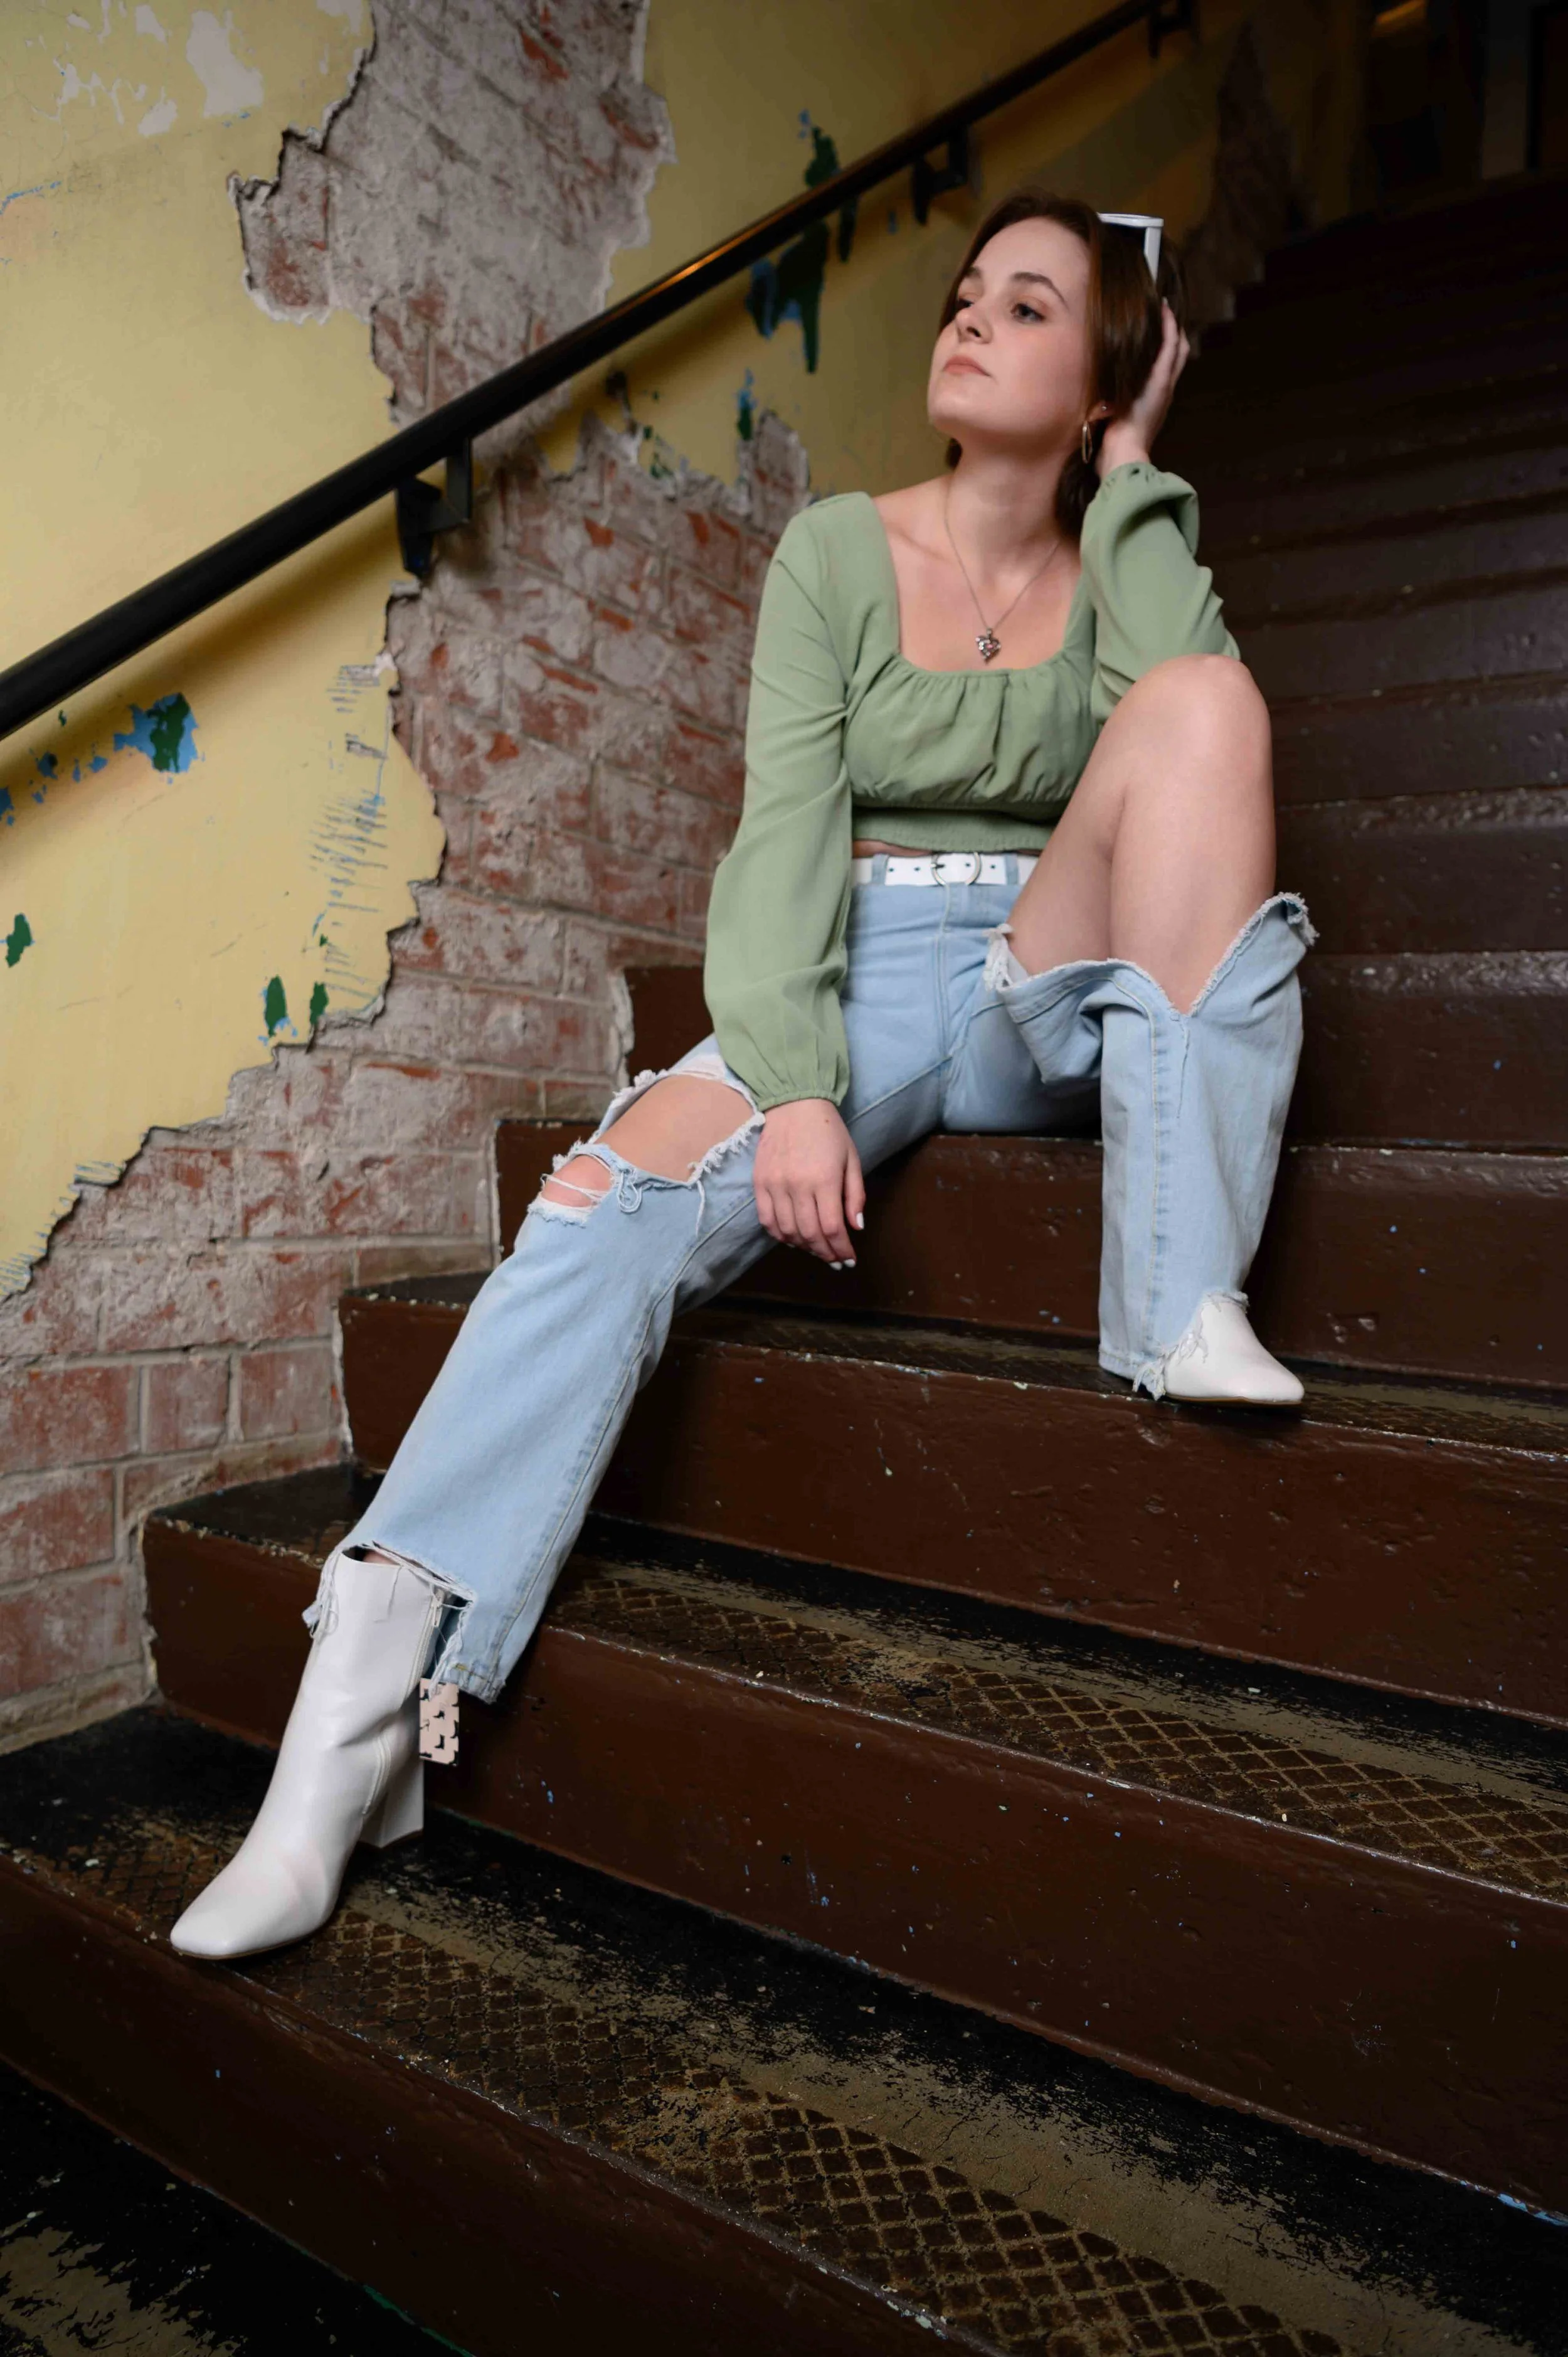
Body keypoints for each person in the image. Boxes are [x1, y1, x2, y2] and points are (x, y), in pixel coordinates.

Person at [171, 188, 1313, 1963]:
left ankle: (1177, 1294)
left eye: (1029, 305)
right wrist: (784, 1080)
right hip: (851, 965)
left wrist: (1139, 466)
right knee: (602, 1199)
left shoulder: (1119, 564)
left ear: (1098, 371)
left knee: (1210, 709)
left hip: (1043, 978)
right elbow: (784, 837)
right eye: (963, 295)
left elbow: (1193, 743)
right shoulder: (840, 552)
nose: (969, 321)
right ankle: (356, 1715)